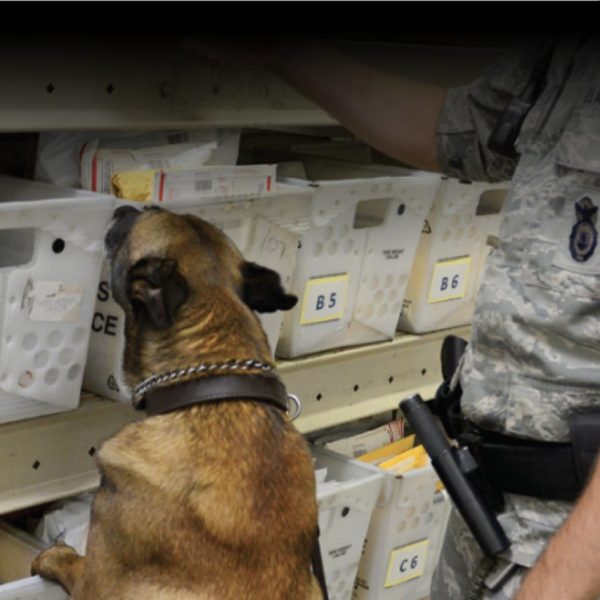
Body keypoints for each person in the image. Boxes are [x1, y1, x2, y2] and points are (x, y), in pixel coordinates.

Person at [183, 33, 600, 599]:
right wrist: (284, 50)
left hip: (575, 546)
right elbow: (463, 130)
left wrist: (561, 582)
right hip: (489, 516)